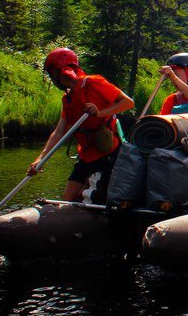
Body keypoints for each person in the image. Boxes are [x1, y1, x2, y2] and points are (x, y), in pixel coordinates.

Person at [29, 47, 134, 204]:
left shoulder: (93, 82)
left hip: (106, 155)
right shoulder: (68, 98)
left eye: (52, 73)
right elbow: (59, 132)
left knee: (94, 198)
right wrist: (40, 159)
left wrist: (100, 112)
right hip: (85, 155)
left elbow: (128, 103)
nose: (52, 78)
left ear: (60, 71)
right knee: (67, 198)